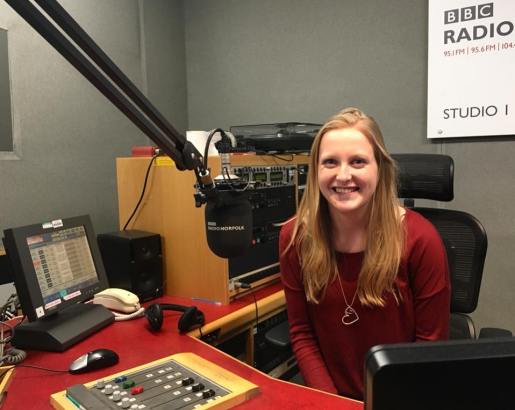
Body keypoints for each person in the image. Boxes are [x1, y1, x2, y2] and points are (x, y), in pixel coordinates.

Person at [279, 107, 450, 400]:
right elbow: (302, 333)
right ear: (316, 170)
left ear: (379, 168)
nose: (343, 175)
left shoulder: (422, 240)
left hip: (400, 397)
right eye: (330, 162)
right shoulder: (295, 238)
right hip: (331, 399)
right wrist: (331, 403)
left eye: (358, 161)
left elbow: (428, 349)